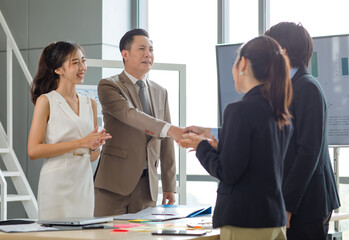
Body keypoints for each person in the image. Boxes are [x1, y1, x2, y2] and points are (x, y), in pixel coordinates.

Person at [179, 35, 293, 240]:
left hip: (245, 221)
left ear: (243, 64)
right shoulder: (279, 113)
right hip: (272, 219)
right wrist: (219, 148)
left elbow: (228, 173)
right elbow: (257, 162)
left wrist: (201, 147)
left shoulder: (239, 111)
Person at [94, 28, 184, 216]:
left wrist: (169, 185)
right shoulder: (109, 85)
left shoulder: (161, 92)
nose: (148, 54)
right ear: (125, 54)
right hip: (114, 184)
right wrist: (170, 129)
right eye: (142, 49)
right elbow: (129, 114)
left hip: (147, 187)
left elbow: (166, 140)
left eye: (151, 50)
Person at [265, 22, 340, 240]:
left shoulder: (307, 87)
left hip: (307, 203)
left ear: (283, 50)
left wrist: (288, 205)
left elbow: (308, 152)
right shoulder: (285, 86)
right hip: (292, 199)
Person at [28, 41, 111, 220]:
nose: (83, 67)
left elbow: (92, 156)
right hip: (56, 184)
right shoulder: (46, 101)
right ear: (59, 70)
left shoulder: (91, 103)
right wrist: (81, 142)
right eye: (75, 63)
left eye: (83, 61)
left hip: (83, 184)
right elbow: (33, 151)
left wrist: (95, 145)